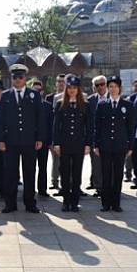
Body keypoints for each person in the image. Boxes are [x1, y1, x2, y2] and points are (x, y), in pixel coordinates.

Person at [0, 64, 45, 214]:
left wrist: (40, 138)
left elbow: (40, 118)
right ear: (11, 79)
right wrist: (0, 139)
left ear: (25, 78)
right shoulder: (5, 95)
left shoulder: (33, 94)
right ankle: (10, 203)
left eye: (20, 77)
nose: (17, 80)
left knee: (29, 172)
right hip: (10, 141)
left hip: (29, 141)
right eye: (15, 77)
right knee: (11, 173)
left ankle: (30, 202)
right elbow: (0, 119)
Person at [94, 75, 135, 212]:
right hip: (105, 145)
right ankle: (105, 203)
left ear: (120, 88)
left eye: (115, 86)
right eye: (110, 86)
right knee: (106, 175)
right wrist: (96, 144)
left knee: (118, 175)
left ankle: (116, 203)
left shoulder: (127, 105)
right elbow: (97, 127)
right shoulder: (102, 105)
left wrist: (131, 146)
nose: (112, 89)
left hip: (120, 145)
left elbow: (131, 127)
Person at [52, 76, 93, 212]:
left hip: (78, 144)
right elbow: (56, 125)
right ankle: (66, 201)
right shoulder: (60, 103)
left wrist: (88, 144)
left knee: (76, 173)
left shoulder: (85, 105)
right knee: (64, 172)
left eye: (74, 88)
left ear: (78, 89)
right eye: (69, 87)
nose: (72, 90)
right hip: (64, 144)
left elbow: (89, 126)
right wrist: (56, 143)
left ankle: (74, 202)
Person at [87, 75, 109, 197]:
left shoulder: (114, 98)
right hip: (95, 138)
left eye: (102, 84)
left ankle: (110, 187)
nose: (100, 87)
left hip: (111, 138)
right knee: (96, 164)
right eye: (97, 85)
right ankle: (99, 188)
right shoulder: (90, 101)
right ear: (94, 87)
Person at [45, 73, 66, 191]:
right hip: (55, 132)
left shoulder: (72, 96)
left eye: (63, 81)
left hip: (67, 133)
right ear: (56, 83)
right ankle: (54, 181)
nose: (61, 83)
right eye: (59, 81)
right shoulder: (50, 97)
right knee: (55, 160)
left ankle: (69, 182)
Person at [32, 80, 52, 198]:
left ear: (42, 92)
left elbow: (50, 125)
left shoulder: (47, 106)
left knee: (43, 166)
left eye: (38, 90)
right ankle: (30, 189)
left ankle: (42, 189)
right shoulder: (27, 105)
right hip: (29, 142)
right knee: (30, 167)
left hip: (43, 141)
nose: (36, 92)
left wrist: (50, 142)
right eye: (34, 90)